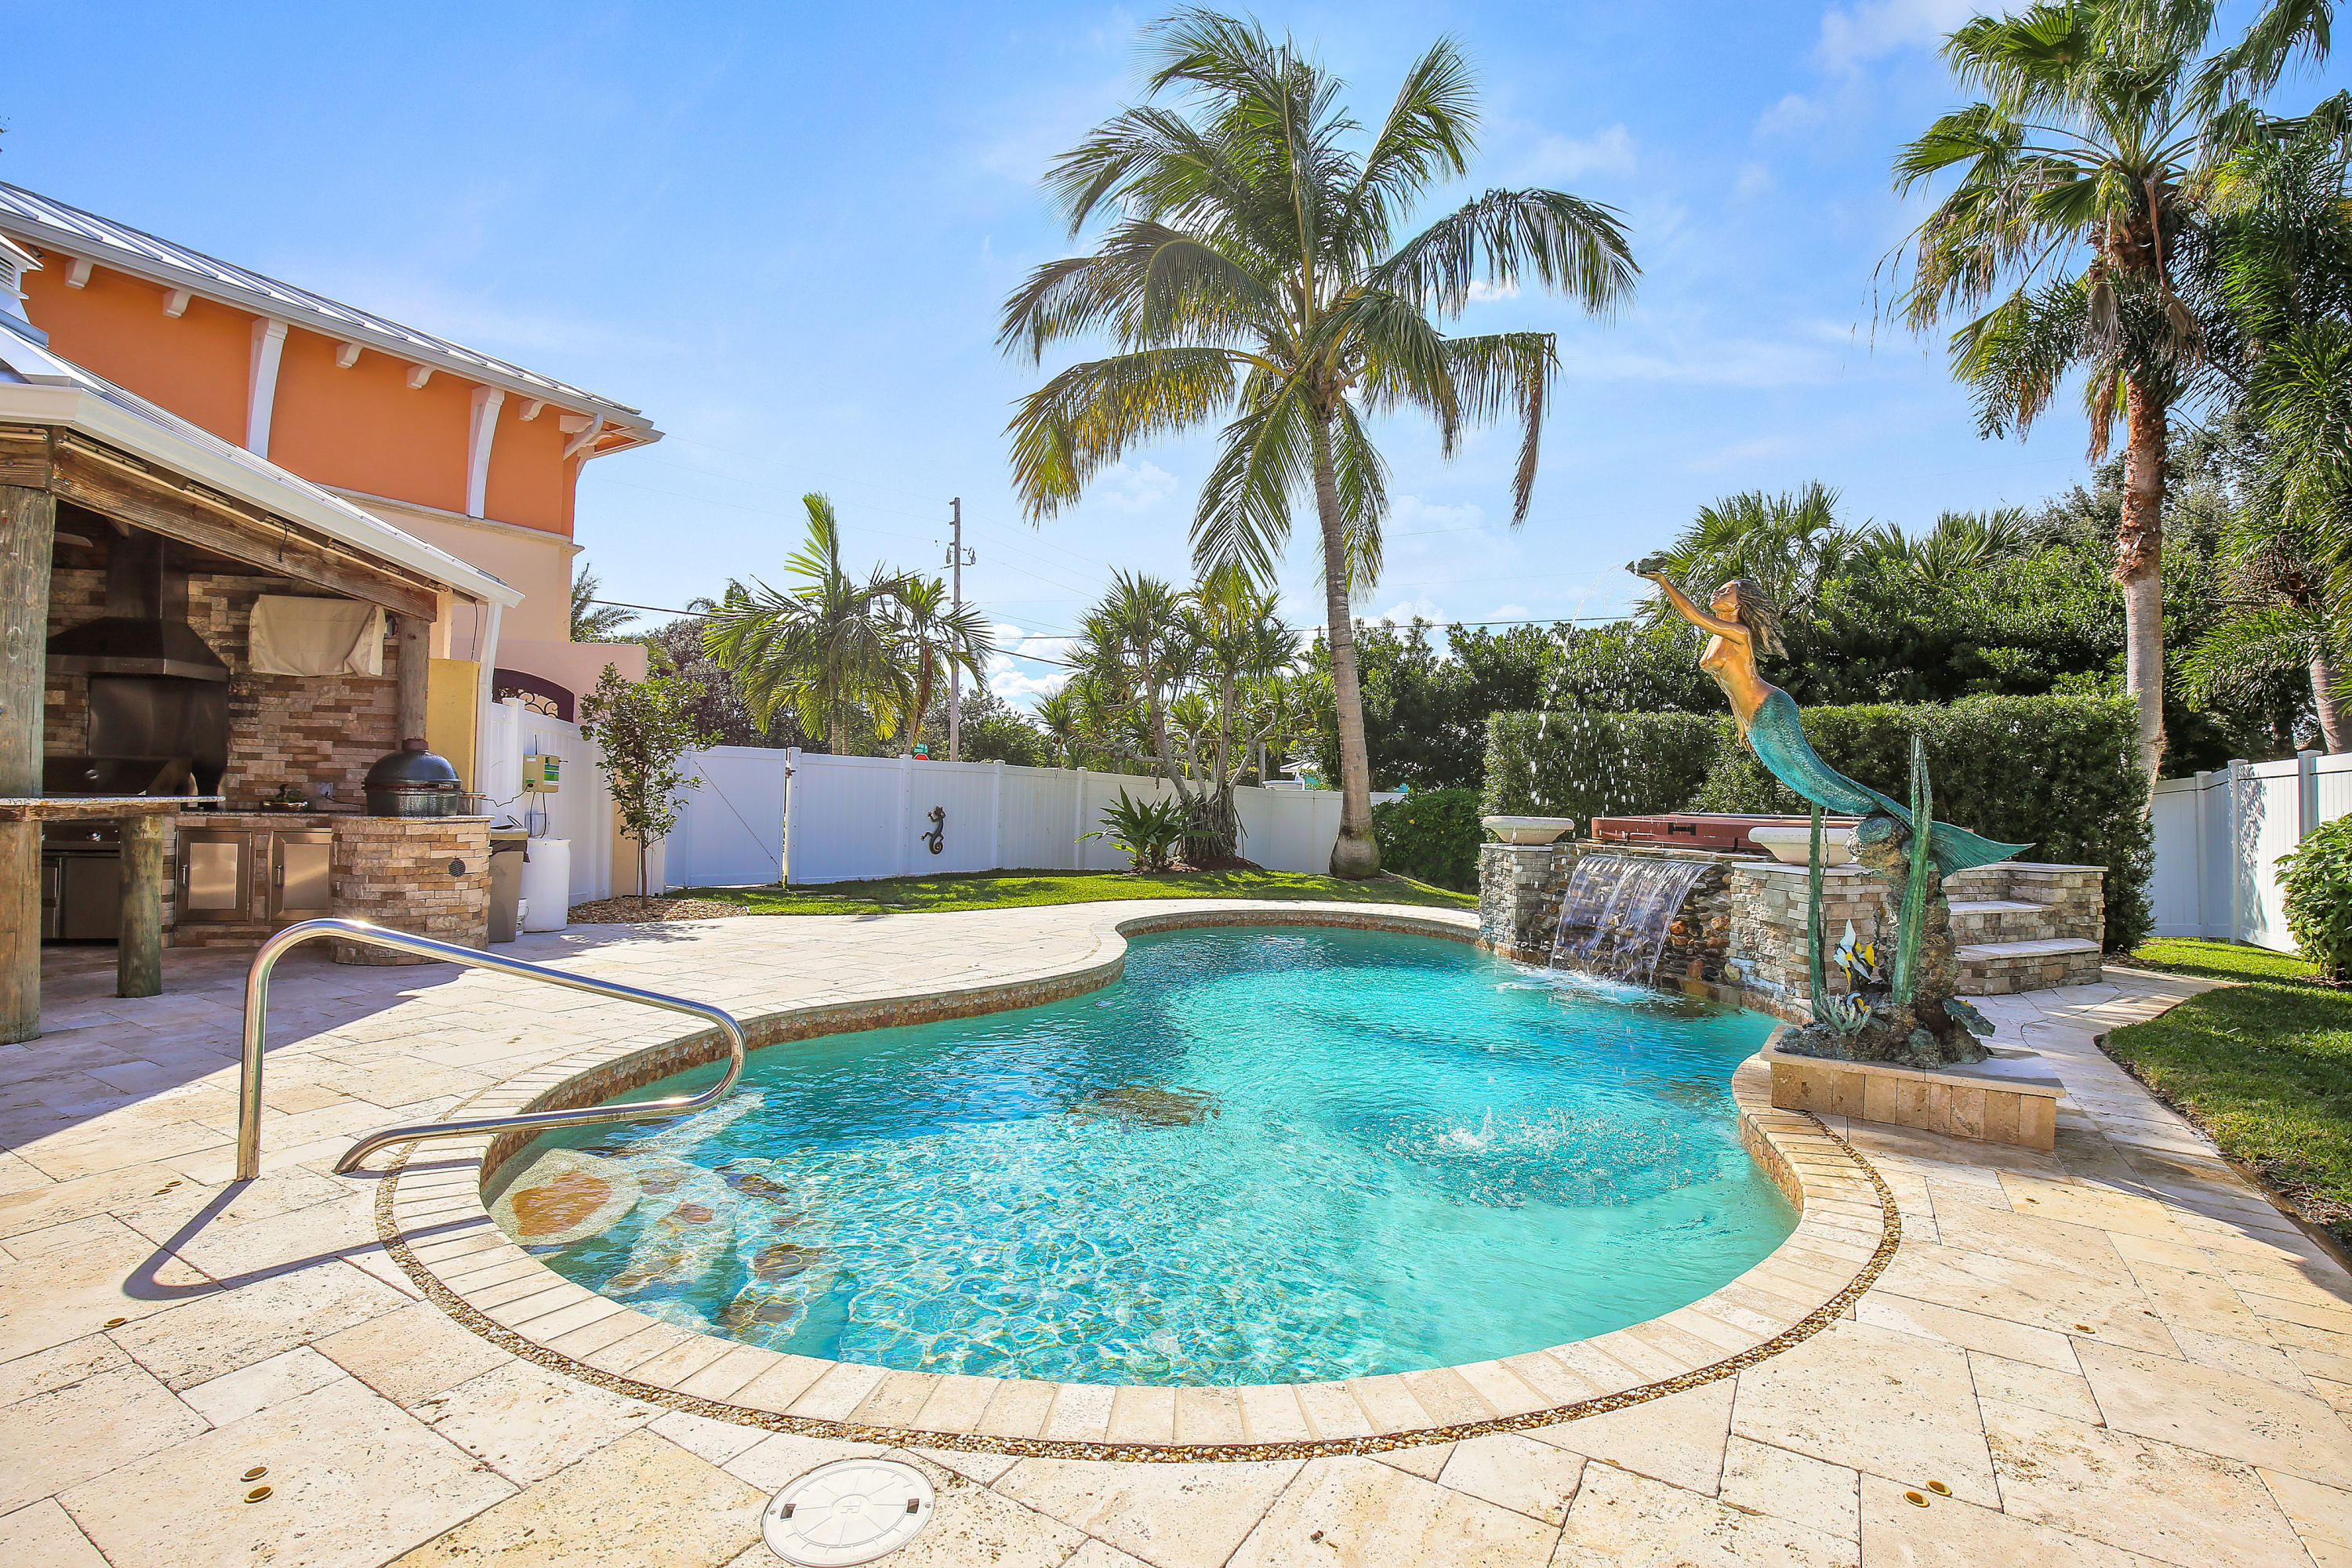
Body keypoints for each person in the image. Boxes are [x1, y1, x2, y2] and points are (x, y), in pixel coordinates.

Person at [1630, 554, 2025, 875]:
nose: (1718, 592)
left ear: (1742, 604)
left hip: (1772, 710)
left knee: (1817, 780)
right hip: (1757, 716)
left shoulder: (1739, 632)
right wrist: (1742, 725)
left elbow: (1693, 616)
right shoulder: (1721, 635)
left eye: (1727, 590)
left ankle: (1901, 824)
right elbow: (1731, 686)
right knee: (1809, 781)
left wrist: (1664, 581)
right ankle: (1898, 822)